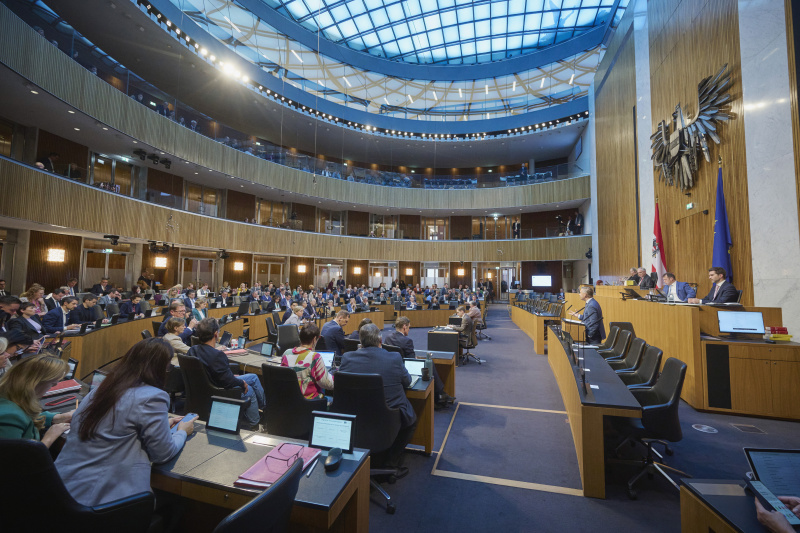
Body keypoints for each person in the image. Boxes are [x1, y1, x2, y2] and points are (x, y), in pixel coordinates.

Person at [55, 338, 195, 506]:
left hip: (62, 489)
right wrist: (182, 431)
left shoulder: (101, 390)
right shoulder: (154, 396)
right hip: (104, 500)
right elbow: (163, 453)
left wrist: (164, 423)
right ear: (161, 367)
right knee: (179, 505)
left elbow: (118, 425)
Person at [340, 323, 416, 474]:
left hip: (354, 416)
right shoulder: (394, 357)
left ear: (360, 342)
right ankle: (391, 463)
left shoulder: (347, 358)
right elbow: (407, 382)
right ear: (380, 340)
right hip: (387, 418)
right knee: (411, 419)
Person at [188, 318, 264, 428]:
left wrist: (233, 377)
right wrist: (242, 383)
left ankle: (264, 408)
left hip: (204, 387)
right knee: (250, 389)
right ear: (215, 334)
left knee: (253, 377)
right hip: (219, 390)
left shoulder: (193, 349)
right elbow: (228, 382)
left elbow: (216, 373)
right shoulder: (217, 355)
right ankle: (255, 424)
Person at [0, 353, 73, 447]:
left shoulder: (8, 396)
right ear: (35, 383)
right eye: (52, 383)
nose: (54, 386)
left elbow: (24, 417)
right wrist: (49, 437)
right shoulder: (9, 417)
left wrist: (57, 417)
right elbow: (17, 460)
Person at [385, 317, 455, 408]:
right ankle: (440, 394)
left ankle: (440, 394)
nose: (409, 330)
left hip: (392, 368)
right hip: (406, 369)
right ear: (404, 326)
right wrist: (416, 358)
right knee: (430, 364)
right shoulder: (407, 341)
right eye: (409, 327)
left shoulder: (388, 337)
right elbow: (412, 360)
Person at [281, 323, 334, 400]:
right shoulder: (314, 357)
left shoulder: (286, 353)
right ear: (314, 339)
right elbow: (327, 383)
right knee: (332, 399)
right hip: (308, 402)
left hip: (288, 399)